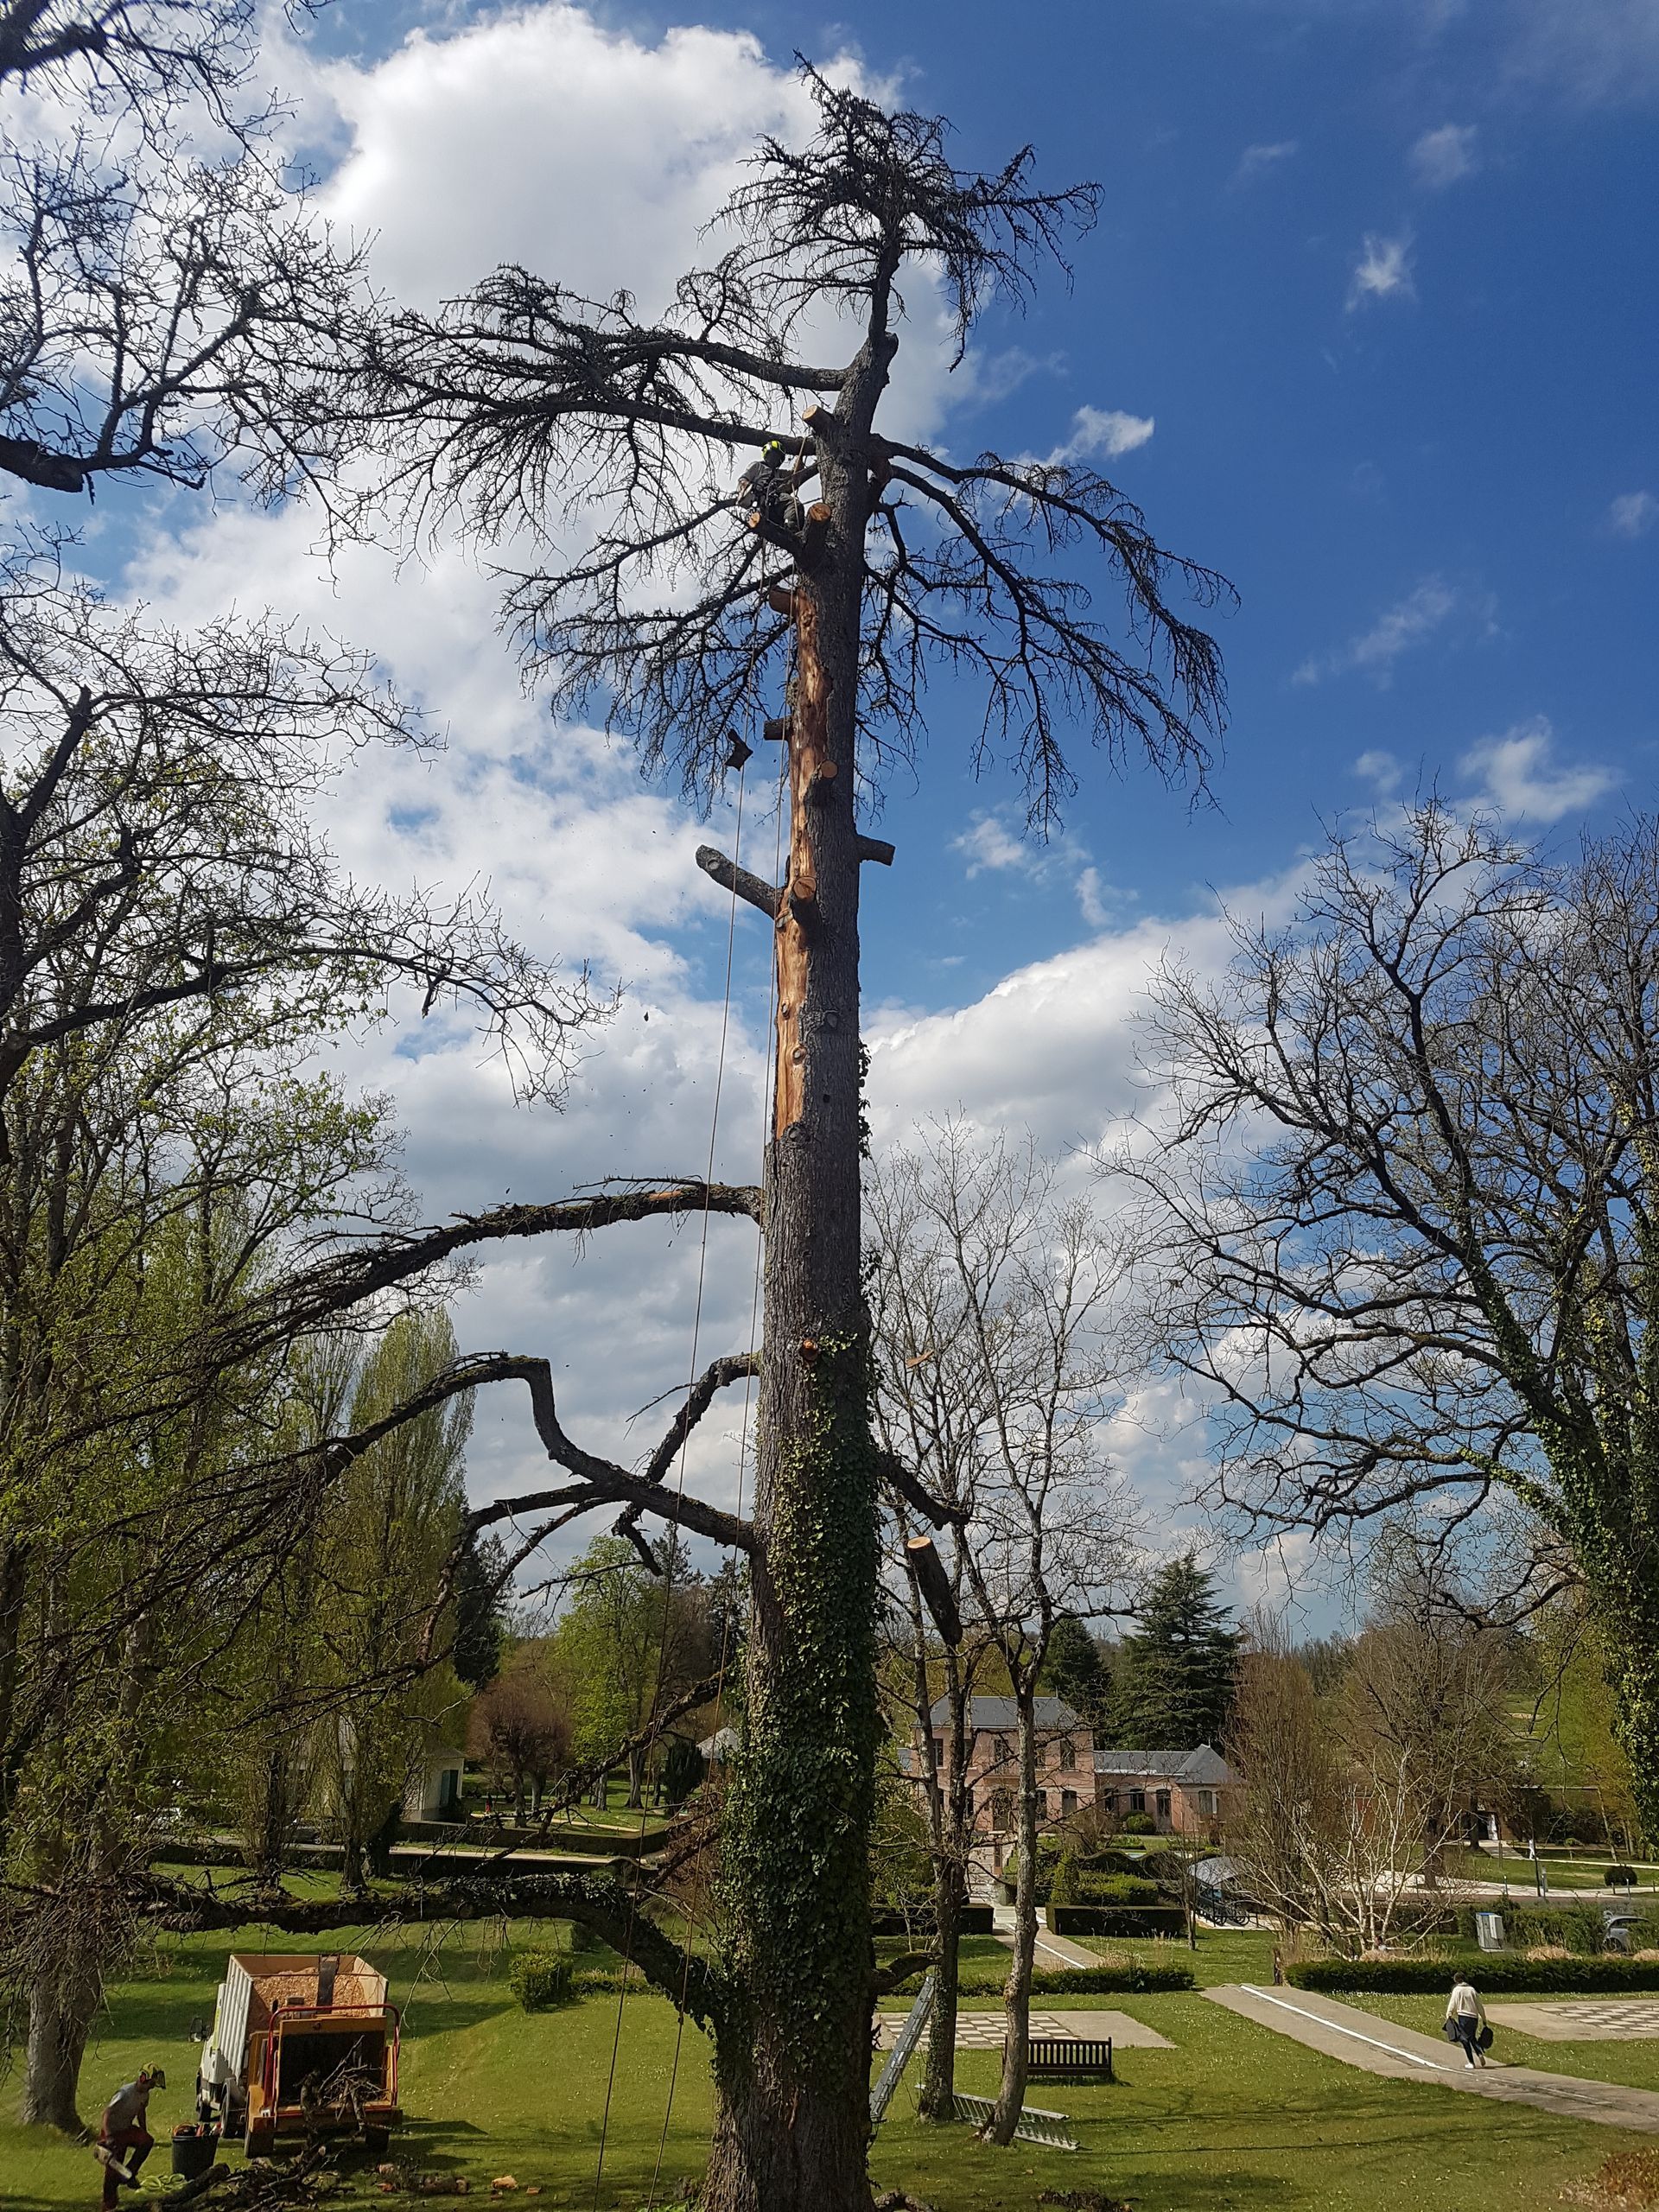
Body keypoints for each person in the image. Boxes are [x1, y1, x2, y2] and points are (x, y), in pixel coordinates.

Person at [97, 2064, 165, 2208]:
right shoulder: (124, 2094)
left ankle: (129, 2174)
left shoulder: (145, 2095)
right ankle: (109, 2204)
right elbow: (107, 2114)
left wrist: (143, 2130)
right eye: (151, 2084)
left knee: (147, 2141)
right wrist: (108, 2137)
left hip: (127, 2129)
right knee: (113, 2169)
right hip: (113, 2132)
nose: (152, 2087)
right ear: (143, 2079)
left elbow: (140, 2112)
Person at [1446, 1974, 1490, 2068]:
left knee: (1464, 2039)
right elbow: (1479, 2006)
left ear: (1456, 1980)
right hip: (1474, 2018)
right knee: (1472, 2037)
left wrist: (1449, 2013)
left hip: (1463, 2017)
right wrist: (1484, 2018)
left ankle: (1471, 2062)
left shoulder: (1457, 1990)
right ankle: (1479, 2053)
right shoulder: (1472, 1990)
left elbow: (1453, 2003)